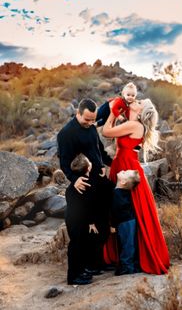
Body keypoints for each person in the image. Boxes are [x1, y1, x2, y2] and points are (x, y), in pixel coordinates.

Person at [102, 99, 170, 275]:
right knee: (122, 211)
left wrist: (112, 113)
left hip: (127, 167)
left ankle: (131, 260)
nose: (135, 100)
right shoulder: (130, 123)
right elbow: (117, 141)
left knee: (131, 212)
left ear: (141, 111)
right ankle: (123, 257)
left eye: (139, 101)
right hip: (121, 164)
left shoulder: (135, 125)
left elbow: (106, 132)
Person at [57, 98, 113, 286]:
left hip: (100, 180)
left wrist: (109, 163)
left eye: (93, 120)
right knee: (81, 231)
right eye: (87, 120)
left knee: (103, 225)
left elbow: (100, 150)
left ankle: (95, 264)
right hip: (83, 183)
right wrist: (75, 180)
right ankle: (80, 270)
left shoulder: (91, 128)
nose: (90, 124)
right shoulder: (66, 133)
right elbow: (64, 162)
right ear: (78, 113)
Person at [111, 169, 140, 276]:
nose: (122, 170)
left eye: (124, 173)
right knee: (128, 243)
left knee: (128, 244)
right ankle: (130, 265)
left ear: (123, 182)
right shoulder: (121, 191)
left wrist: (112, 225)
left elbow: (115, 211)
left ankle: (127, 267)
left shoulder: (116, 193)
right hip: (128, 221)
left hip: (125, 222)